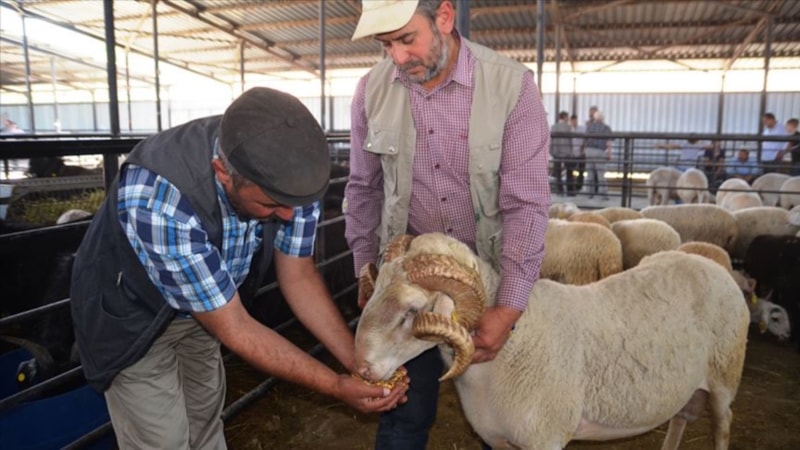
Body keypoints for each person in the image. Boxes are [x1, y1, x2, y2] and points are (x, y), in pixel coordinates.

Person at [69, 87, 407, 449]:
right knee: (163, 440)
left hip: (207, 309)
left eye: (294, 204)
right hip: (132, 318)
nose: (288, 215)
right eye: (271, 205)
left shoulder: (291, 177)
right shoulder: (161, 198)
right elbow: (235, 327)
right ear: (223, 173)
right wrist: (335, 385)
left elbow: (298, 275)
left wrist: (359, 364)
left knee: (204, 419)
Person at [345, 1, 551, 448]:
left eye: (406, 39)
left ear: (444, 16)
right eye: (385, 45)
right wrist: (366, 270)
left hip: (486, 285)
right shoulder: (371, 91)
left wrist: (508, 306)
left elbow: (527, 203)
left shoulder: (511, 87)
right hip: (408, 292)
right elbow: (363, 189)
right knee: (404, 414)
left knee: (505, 417)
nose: (398, 58)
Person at [582, 110, 612, 199]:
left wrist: (583, 150)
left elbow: (585, 139)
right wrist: (609, 153)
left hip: (589, 151)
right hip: (600, 151)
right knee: (600, 174)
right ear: (603, 118)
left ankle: (589, 193)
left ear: (595, 118)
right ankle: (603, 194)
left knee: (590, 173)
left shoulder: (589, 127)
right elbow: (609, 142)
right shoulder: (606, 128)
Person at [550, 111, 574, 195]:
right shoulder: (568, 127)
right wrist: (571, 151)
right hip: (566, 152)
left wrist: (551, 151)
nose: (568, 119)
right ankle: (570, 191)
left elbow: (551, 140)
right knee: (569, 171)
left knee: (558, 172)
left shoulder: (553, 127)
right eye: (567, 117)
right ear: (564, 117)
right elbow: (570, 140)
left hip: (556, 151)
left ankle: (560, 191)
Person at [570, 114, 586, 193]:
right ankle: (572, 186)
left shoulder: (582, 129)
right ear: (570, 121)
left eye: (575, 120)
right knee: (571, 170)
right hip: (571, 153)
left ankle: (579, 186)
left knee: (581, 170)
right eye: (573, 121)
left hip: (581, 152)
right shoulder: (569, 129)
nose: (574, 122)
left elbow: (585, 139)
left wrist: (583, 149)